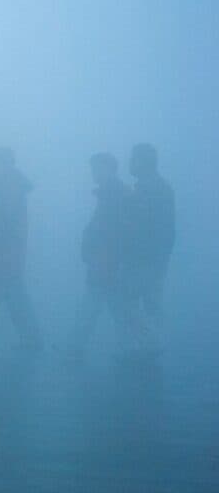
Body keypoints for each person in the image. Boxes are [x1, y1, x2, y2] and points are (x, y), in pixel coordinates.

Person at [67, 152, 149, 360]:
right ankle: (141, 345)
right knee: (118, 307)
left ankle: (76, 347)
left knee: (97, 306)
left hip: (108, 262)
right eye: (93, 168)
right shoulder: (111, 194)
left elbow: (123, 232)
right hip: (105, 262)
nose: (94, 173)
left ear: (111, 169)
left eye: (98, 168)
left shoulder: (117, 196)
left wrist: (118, 260)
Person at [0, 147, 43, 350]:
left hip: (4, 252)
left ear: (5, 164)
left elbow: (3, 224)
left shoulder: (8, 189)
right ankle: (32, 338)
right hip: (8, 253)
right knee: (14, 295)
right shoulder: (9, 186)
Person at [126, 143, 174, 343]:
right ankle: (150, 344)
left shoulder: (153, 188)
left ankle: (151, 344)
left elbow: (158, 228)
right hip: (149, 256)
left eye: (134, 158)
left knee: (133, 299)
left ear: (143, 162)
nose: (130, 162)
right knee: (147, 300)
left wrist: (152, 257)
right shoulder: (150, 187)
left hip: (147, 257)